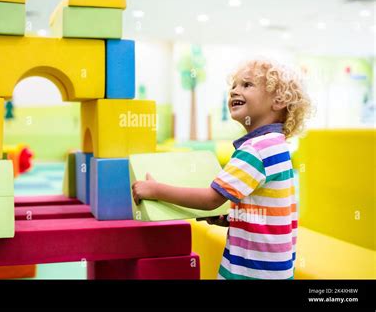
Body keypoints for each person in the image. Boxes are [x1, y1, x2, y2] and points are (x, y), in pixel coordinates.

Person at [132, 58, 311, 279]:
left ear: (279, 100)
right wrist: (232, 218)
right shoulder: (276, 144)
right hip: (275, 270)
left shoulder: (256, 149)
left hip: (249, 271)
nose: (234, 91)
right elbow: (267, 209)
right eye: (233, 85)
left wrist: (154, 190)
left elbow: (211, 199)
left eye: (246, 85)